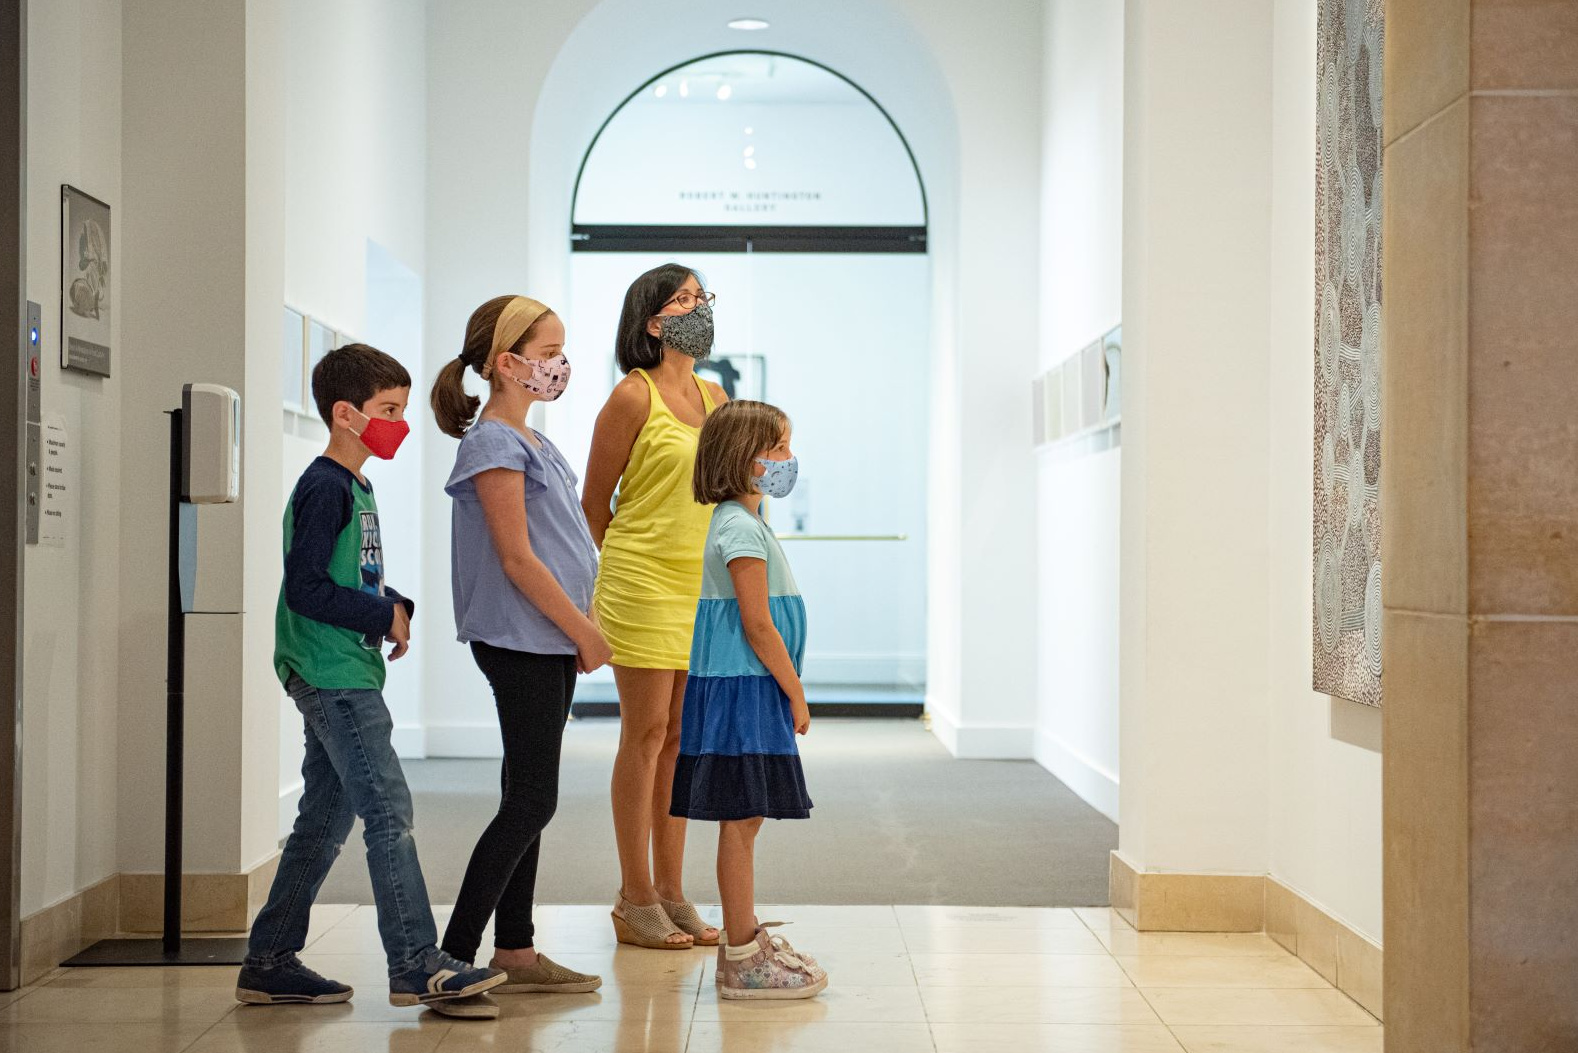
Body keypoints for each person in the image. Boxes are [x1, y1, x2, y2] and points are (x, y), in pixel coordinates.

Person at [237, 344, 505, 1017]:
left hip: (344, 666)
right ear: (345, 414)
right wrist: (379, 610)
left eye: (401, 410)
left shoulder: (355, 485)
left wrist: (393, 604)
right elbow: (305, 588)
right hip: (330, 674)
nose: (399, 424)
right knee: (389, 810)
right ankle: (415, 961)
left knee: (324, 819)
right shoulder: (326, 484)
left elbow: (345, 576)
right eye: (387, 411)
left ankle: (268, 960)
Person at [428, 295, 610, 1014]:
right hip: (522, 640)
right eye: (548, 349)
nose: (559, 364)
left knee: (525, 795)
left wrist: (581, 620)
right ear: (508, 363)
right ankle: (450, 960)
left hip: (547, 639)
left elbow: (562, 546)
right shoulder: (493, 443)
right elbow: (517, 558)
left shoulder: (534, 441)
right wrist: (584, 629)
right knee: (534, 797)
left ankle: (516, 949)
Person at [582, 264, 727, 949]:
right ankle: (634, 895)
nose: (698, 308)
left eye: (702, 297)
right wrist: (627, 568)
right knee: (644, 735)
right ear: (653, 320)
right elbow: (593, 504)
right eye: (684, 299)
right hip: (641, 582)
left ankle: (672, 889)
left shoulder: (715, 393)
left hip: (699, 587)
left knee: (680, 740)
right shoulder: (629, 398)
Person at [673, 400, 823, 999]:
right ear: (745, 459)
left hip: (747, 685)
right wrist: (796, 690)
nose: (790, 460)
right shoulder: (738, 527)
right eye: (780, 448)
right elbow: (757, 624)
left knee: (748, 813)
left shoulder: (747, 523)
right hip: (745, 688)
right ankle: (740, 953)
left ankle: (745, 937)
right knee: (742, 815)